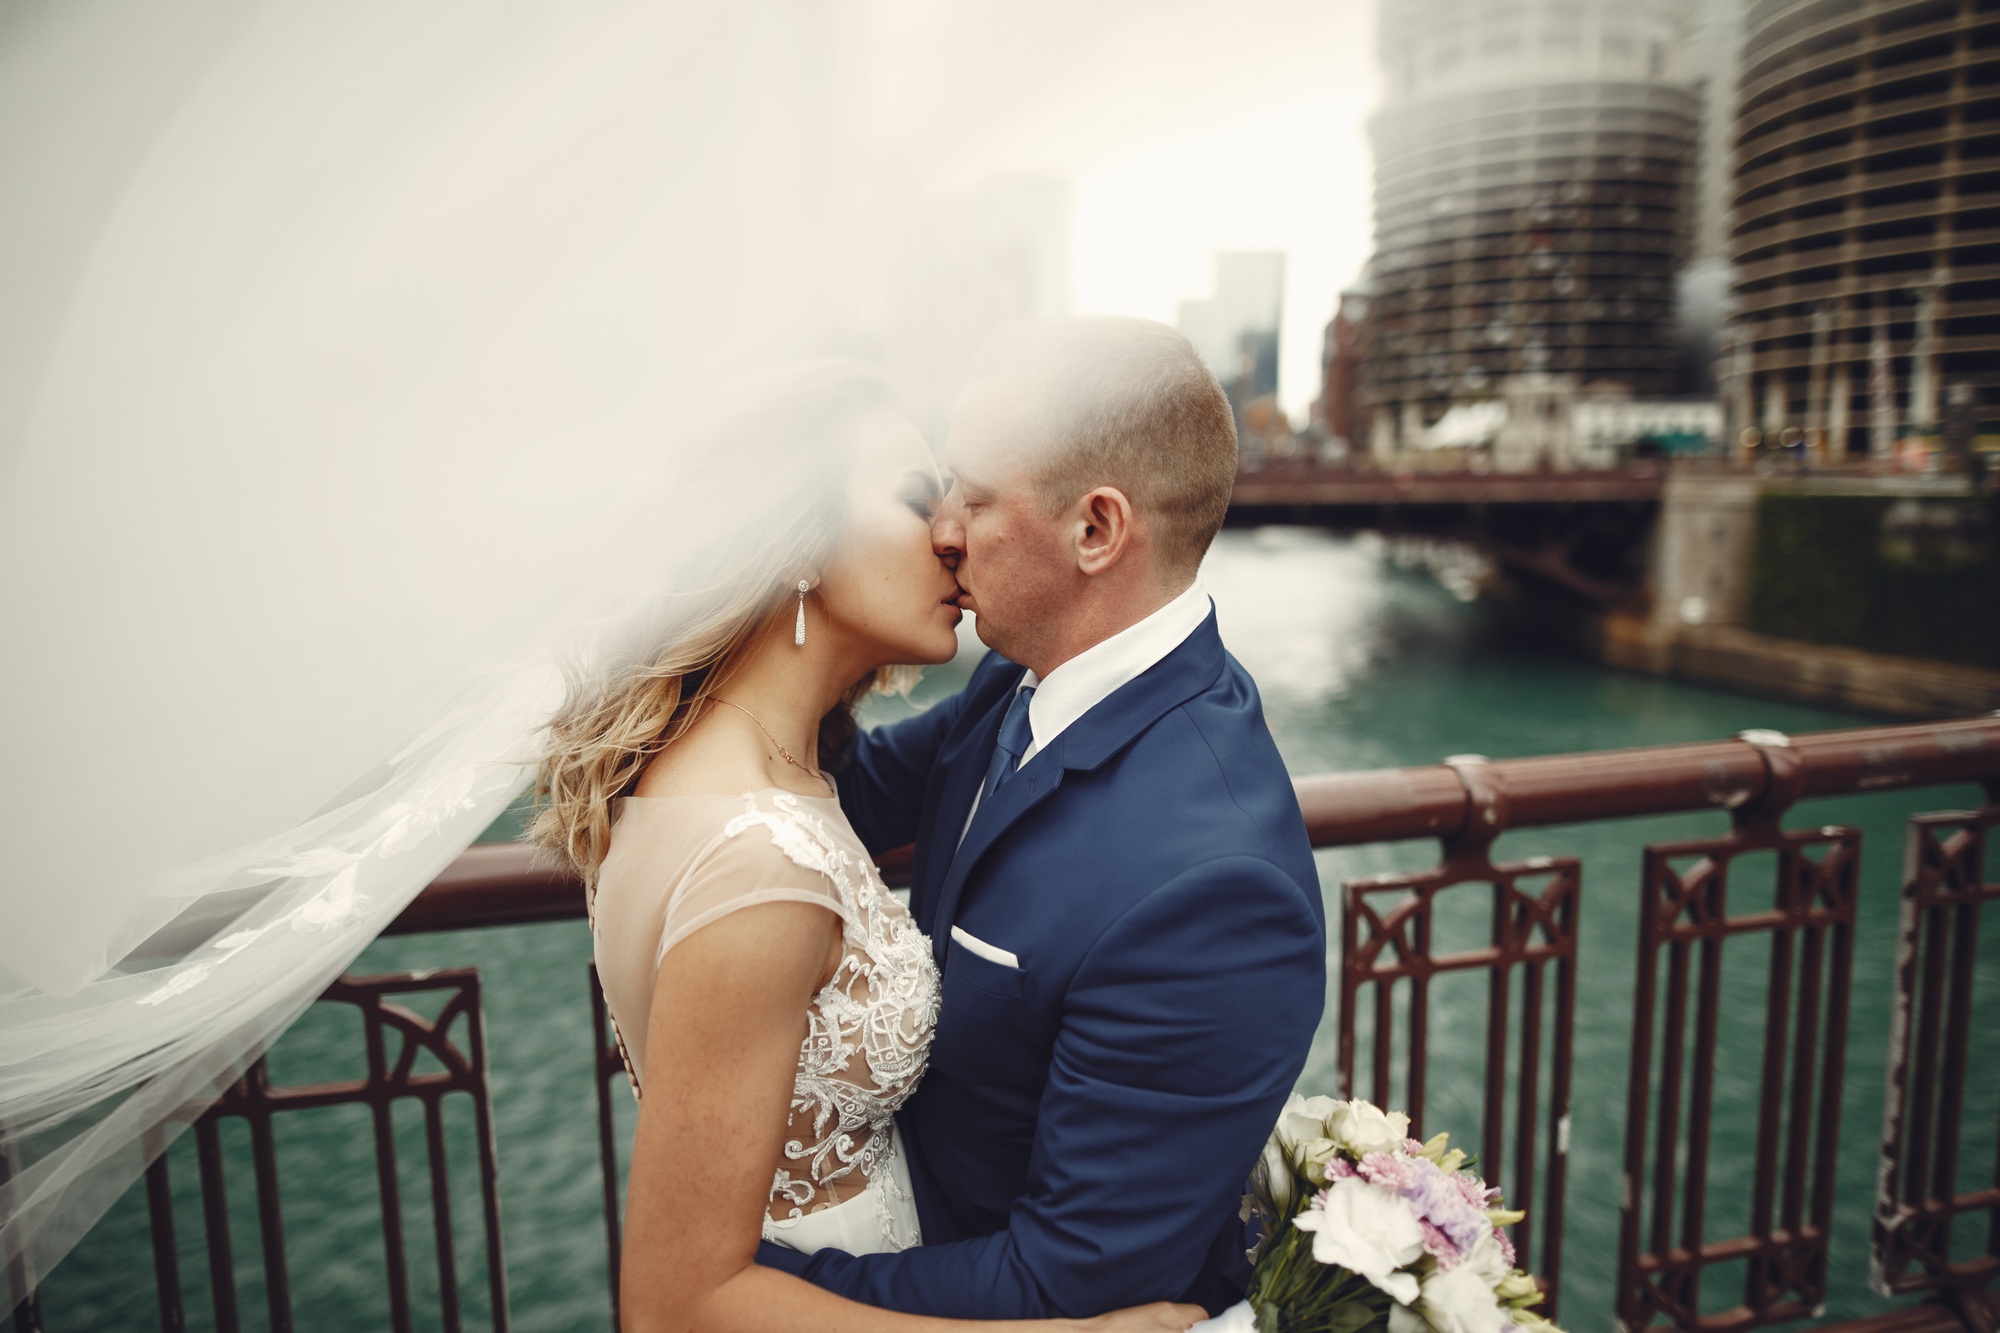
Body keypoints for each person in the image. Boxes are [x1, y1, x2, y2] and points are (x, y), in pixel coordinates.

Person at [532, 363, 1203, 1333]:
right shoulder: (760, 864)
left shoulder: (753, 770)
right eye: (914, 499)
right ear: (799, 541)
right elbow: (676, 1305)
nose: (952, 534)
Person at [757, 317, 1326, 1318]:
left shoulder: (1215, 888)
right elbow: (828, 787)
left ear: (1095, 530)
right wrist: (824, 608)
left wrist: (754, 1290)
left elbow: (1072, 1276)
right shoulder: (1020, 680)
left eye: (972, 498)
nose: (940, 529)